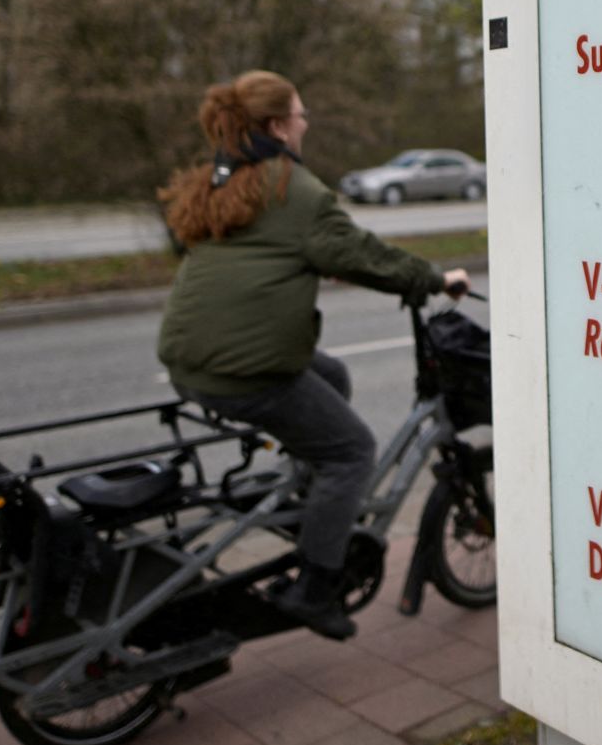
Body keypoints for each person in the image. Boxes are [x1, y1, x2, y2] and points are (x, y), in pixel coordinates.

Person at [156, 70, 467, 639]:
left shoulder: (225, 176)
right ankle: (316, 588)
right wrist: (434, 278)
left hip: (188, 359)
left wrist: (300, 259)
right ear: (278, 126)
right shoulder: (290, 187)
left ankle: (309, 495)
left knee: (332, 374)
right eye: (300, 114)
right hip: (244, 371)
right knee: (352, 452)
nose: (306, 123)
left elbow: (259, 249)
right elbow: (363, 254)